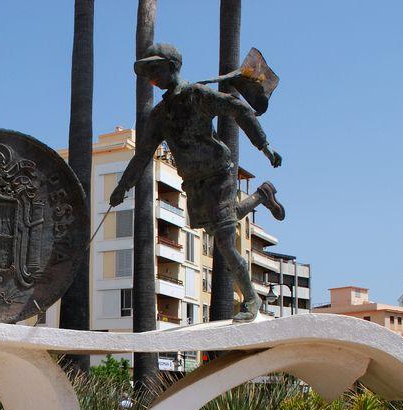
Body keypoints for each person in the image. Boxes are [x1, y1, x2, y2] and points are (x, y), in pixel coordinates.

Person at [110, 43, 286, 322]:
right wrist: (122, 187)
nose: (152, 78)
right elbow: (143, 154)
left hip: (218, 174)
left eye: (155, 69)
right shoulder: (159, 116)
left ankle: (251, 300)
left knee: (225, 242)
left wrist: (264, 146)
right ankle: (262, 196)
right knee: (221, 225)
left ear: (172, 66)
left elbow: (239, 108)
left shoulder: (197, 95)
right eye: (149, 72)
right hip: (193, 182)